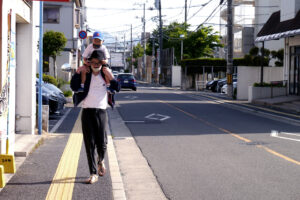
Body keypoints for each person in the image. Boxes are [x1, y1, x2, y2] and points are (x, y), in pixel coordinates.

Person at [70, 50, 119, 184]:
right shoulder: (86, 73)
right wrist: (78, 72)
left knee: (102, 143)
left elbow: (117, 88)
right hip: (87, 111)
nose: (95, 64)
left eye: (99, 62)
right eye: (93, 62)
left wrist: (111, 77)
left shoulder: (105, 74)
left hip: (101, 111)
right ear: (89, 62)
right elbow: (73, 87)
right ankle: (93, 173)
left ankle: (101, 160)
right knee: (89, 143)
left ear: (102, 63)